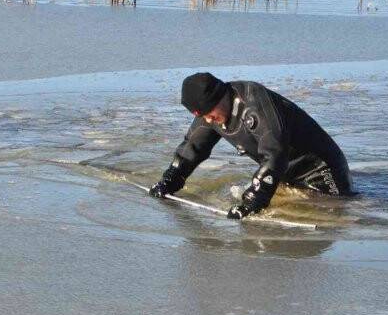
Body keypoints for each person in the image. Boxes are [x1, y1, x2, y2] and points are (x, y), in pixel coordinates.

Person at [149, 72, 353, 219]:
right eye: (203, 117)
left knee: (334, 210)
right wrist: (169, 180)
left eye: (209, 114)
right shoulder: (211, 113)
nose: (209, 121)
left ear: (220, 97)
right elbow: (192, 149)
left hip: (319, 169)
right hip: (283, 172)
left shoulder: (255, 102)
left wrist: (253, 200)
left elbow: (275, 153)